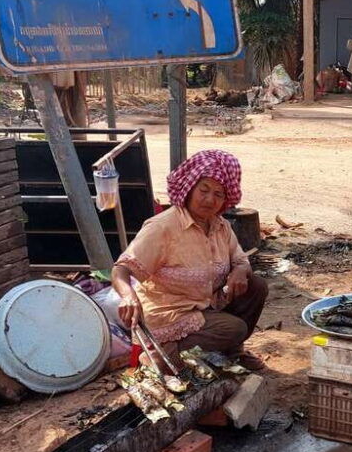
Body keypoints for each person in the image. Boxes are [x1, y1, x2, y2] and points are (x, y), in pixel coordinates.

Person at [112, 150, 269, 371]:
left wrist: (240, 271)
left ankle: (233, 352)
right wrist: (128, 296)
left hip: (207, 303)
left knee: (255, 285)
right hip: (171, 313)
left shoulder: (220, 226)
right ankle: (164, 357)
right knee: (234, 329)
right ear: (189, 187)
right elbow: (121, 270)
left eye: (218, 194)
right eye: (203, 190)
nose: (209, 200)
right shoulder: (163, 227)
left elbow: (241, 259)